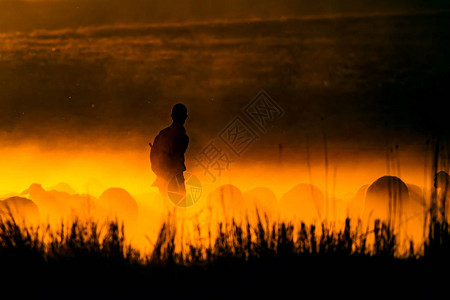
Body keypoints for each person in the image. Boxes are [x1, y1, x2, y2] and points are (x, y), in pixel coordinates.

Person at [150, 104, 189, 201]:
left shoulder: (163, 134)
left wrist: (160, 173)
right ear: (185, 117)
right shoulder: (183, 137)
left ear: (172, 116)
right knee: (180, 206)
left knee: (167, 207)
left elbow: (153, 157)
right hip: (175, 179)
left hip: (163, 178)